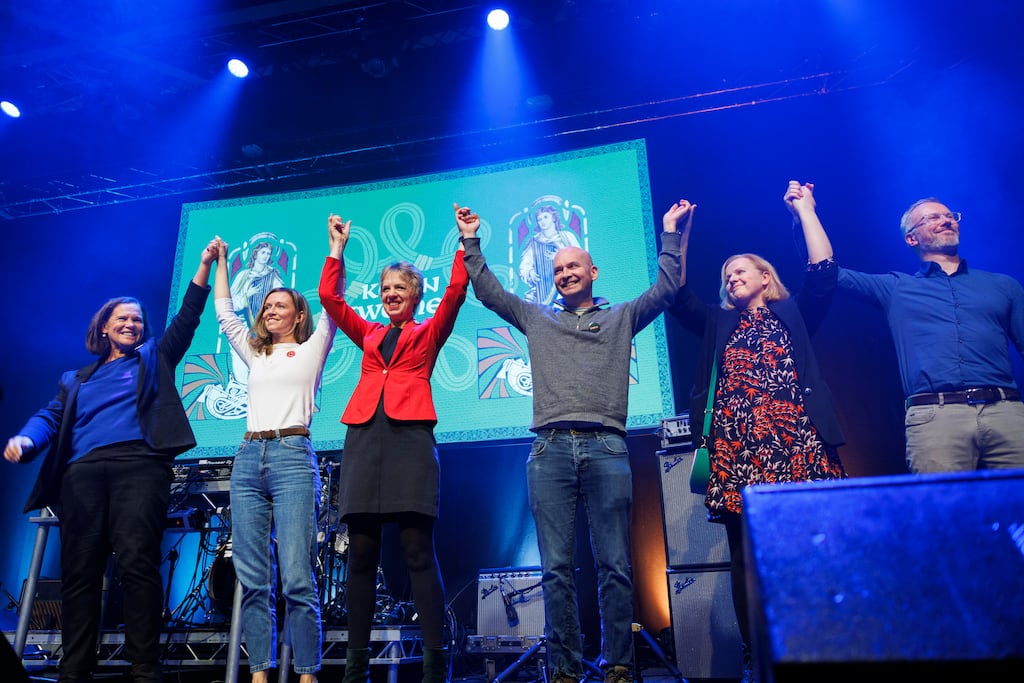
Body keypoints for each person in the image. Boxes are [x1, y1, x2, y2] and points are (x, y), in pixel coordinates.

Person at [457, 201, 682, 683]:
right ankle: (563, 669)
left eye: (573, 266)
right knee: (556, 568)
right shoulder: (538, 317)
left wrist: (669, 233)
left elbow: (666, 290)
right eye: (558, 269)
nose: (564, 274)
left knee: (615, 565)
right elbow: (492, 294)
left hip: (606, 447)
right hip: (549, 450)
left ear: (593, 271)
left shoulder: (621, 316)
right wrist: (471, 242)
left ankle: (618, 664)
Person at [3, 239, 219, 683]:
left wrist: (203, 267)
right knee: (80, 571)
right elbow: (51, 416)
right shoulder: (75, 379)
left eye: (138, 319)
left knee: (138, 562)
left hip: (139, 468)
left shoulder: (154, 359)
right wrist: (26, 440)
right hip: (81, 476)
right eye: (122, 317)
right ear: (103, 327)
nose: (131, 324)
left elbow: (187, 319)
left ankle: (143, 667)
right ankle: (75, 667)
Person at [668, 181, 847, 682]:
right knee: (744, 559)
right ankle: (756, 659)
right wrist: (679, 235)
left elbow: (823, 275)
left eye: (739, 270)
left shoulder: (792, 313)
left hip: (797, 448)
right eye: (726, 275)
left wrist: (806, 210)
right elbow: (680, 297)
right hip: (738, 453)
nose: (730, 279)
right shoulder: (719, 324)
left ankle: (817, 648)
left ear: (765, 278)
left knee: (809, 549)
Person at [318, 208, 469, 683]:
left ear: (415, 295)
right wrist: (337, 249)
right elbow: (328, 296)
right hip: (364, 439)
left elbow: (457, 292)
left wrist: (466, 243)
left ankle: (433, 663)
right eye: (384, 290)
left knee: (416, 550)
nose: (390, 296)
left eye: (399, 289)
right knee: (360, 553)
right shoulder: (369, 333)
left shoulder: (427, 334)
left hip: (409, 443)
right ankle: (356, 668)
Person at [213, 223, 343, 683]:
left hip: (291, 457)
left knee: (296, 577)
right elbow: (226, 315)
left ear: (297, 316)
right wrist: (223, 264)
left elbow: (333, 306)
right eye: (267, 305)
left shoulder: (311, 350)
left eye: (280, 305)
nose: (270, 310)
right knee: (252, 580)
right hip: (248, 459)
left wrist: (335, 249)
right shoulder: (255, 353)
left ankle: (307, 674)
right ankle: (260, 673)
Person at [836, 195, 1024, 473]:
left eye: (950, 216)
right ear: (912, 239)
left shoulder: (1003, 285)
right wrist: (804, 214)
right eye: (932, 217)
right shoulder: (896, 287)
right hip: (936, 417)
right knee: (942, 510)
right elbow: (828, 273)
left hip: (1006, 412)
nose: (946, 220)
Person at [519, 205, 582, 304]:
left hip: (568, 285)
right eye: (539, 219)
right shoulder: (534, 242)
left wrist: (560, 258)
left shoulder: (567, 236)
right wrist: (530, 273)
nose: (542, 221)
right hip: (542, 288)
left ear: (553, 217)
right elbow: (525, 264)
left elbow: (581, 259)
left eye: (545, 217)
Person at [231, 241, 285, 326]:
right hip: (244, 325)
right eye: (263, 252)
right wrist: (247, 295)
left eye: (268, 253)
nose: (266, 256)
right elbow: (230, 303)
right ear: (255, 254)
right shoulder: (243, 276)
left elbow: (281, 297)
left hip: (266, 323)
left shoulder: (273, 276)